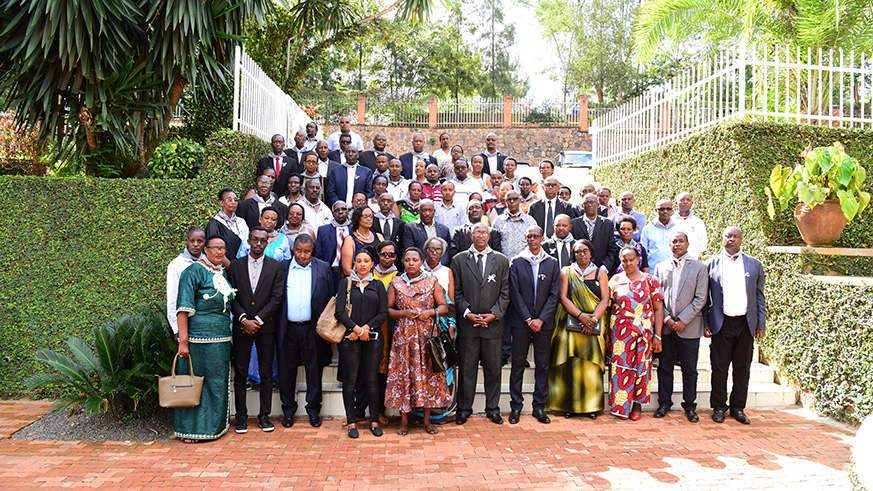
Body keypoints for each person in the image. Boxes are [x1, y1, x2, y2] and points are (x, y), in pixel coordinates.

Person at [174, 235, 235, 443]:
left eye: (222, 249)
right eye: (215, 248)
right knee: (195, 383)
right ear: (205, 250)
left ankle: (214, 428)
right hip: (198, 340)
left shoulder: (223, 273)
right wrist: (183, 342)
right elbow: (182, 309)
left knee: (216, 384)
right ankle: (191, 430)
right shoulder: (193, 272)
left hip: (221, 340)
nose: (219, 252)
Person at [385, 247, 452, 435]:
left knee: (428, 376)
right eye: (407, 260)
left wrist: (429, 312)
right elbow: (388, 311)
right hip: (403, 337)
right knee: (404, 375)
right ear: (403, 262)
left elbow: (444, 307)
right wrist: (403, 313)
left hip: (426, 337)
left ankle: (426, 420)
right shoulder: (396, 282)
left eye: (414, 260)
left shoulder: (432, 282)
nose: (411, 263)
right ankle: (404, 420)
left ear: (421, 262)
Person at [704, 226, 766, 425]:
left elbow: (759, 296)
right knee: (719, 368)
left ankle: (738, 408)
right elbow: (705, 299)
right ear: (722, 238)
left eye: (735, 236)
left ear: (741, 239)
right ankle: (719, 407)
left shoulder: (754, 264)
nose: (731, 239)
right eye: (727, 236)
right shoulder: (710, 264)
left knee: (742, 368)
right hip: (721, 323)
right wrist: (706, 323)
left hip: (746, 323)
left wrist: (761, 324)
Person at [452, 222, 510, 425]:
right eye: (477, 232)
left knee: (493, 369)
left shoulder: (501, 260)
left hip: (493, 325)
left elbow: (505, 293)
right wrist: (467, 313)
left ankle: (493, 408)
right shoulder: (459, 260)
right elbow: (456, 293)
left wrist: (493, 315)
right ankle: (464, 409)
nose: (480, 235)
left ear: (489, 236)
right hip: (468, 324)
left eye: (484, 232)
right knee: (467, 369)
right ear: (470, 235)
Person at [228, 227, 285, 433]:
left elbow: (277, 297)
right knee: (241, 372)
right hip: (242, 327)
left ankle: (264, 416)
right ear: (249, 241)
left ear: (267, 242)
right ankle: (241, 417)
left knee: (266, 372)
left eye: (262, 240)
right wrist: (244, 319)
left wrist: (258, 320)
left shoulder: (276, 267)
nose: (259, 243)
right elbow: (231, 296)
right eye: (255, 240)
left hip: (266, 327)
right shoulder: (234, 266)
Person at [547, 238, 610, 419]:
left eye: (584, 251)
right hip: (570, 325)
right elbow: (563, 297)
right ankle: (569, 406)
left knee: (591, 367)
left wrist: (593, 319)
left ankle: (592, 407)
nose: (581, 254)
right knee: (571, 366)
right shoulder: (567, 271)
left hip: (594, 327)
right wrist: (581, 316)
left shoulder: (601, 272)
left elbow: (605, 299)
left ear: (591, 252)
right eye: (577, 252)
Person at [277, 234, 334, 429]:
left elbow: (329, 298)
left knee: (314, 371)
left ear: (312, 250)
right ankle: (288, 411)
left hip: (312, 329)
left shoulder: (323, 267)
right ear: (294, 250)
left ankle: (313, 411)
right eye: (299, 251)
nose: (302, 255)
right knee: (286, 371)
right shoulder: (282, 268)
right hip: (287, 328)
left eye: (306, 252)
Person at [652, 231, 709, 423]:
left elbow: (701, 298)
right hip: (666, 327)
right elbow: (657, 296)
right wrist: (667, 318)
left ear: (687, 244)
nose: (677, 244)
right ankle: (664, 403)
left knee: (689, 370)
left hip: (689, 327)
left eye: (681, 241)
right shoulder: (660, 267)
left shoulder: (700, 268)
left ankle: (690, 406)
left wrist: (683, 320)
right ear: (669, 245)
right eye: (674, 242)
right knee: (665, 367)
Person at [507, 226, 560, 425]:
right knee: (518, 364)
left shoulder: (552, 263)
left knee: (542, 364)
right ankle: (516, 407)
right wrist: (529, 318)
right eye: (529, 236)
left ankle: (539, 407)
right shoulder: (517, 261)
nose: (532, 239)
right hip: (521, 322)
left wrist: (541, 319)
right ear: (525, 238)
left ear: (542, 238)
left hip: (544, 324)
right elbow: (515, 292)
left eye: (536, 236)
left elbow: (555, 294)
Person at [335, 248, 388, 438]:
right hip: (350, 339)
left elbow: (383, 313)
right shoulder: (345, 283)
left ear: (372, 264)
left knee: (372, 380)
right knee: (350, 381)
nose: (362, 264)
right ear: (354, 264)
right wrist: (357, 330)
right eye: (359, 261)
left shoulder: (379, 286)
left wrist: (366, 329)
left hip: (373, 340)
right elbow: (339, 312)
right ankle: (351, 422)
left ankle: (373, 420)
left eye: (366, 261)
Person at [608, 246, 664, 420]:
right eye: (624, 260)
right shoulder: (615, 280)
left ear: (638, 260)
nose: (628, 263)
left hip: (643, 333)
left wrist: (658, 335)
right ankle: (620, 407)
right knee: (620, 369)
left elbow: (658, 309)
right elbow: (607, 307)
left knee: (641, 368)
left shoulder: (649, 280)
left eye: (631, 259)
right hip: (620, 334)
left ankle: (637, 406)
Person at [370, 240, 400, 426]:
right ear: (378, 255)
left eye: (391, 254)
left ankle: (379, 410)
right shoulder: (368, 272)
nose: (387, 257)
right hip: (366, 325)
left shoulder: (400, 277)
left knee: (382, 369)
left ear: (396, 257)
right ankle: (360, 410)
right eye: (383, 254)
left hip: (389, 328)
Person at [166, 228, 205, 335]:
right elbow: (173, 298)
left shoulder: (209, 262)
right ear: (187, 241)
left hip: (206, 324)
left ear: (204, 242)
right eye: (192, 241)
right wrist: (176, 329)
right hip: (186, 323)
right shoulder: (176, 265)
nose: (196, 244)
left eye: (200, 241)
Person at [570, 193, 620, 274]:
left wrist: (605, 267)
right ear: (582, 205)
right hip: (579, 271)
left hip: (601, 270)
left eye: (592, 202)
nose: (590, 205)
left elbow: (612, 249)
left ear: (598, 205)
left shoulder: (607, 224)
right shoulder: (574, 224)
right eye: (587, 203)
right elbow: (571, 249)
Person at [492, 190, 538, 264]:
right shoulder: (498, 221)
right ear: (505, 202)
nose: (512, 201)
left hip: (525, 263)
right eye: (509, 199)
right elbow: (493, 244)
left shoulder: (530, 220)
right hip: (504, 264)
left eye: (515, 199)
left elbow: (535, 242)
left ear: (520, 200)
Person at [206, 188, 249, 267]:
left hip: (243, 265)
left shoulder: (241, 221)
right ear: (221, 203)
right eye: (229, 200)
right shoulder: (214, 223)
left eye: (235, 200)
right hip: (225, 267)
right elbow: (214, 249)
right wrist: (230, 268)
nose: (233, 203)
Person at [401, 200, 451, 266]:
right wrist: (427, 265)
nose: (427, 213)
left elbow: (447, 251)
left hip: (440, 268)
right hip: (420, 268)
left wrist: (439, 264)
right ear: (419, 211)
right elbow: (410, 250)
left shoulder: (444, 229)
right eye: (424, 210)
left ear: (434, 211)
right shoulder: (410, 228)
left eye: (430, 210)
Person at [641, 199, 684, 270]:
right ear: (655, 210)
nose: (665, 211)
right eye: (662, 209)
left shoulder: (679, 229)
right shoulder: (647, 229)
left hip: (675, 270)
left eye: (668, 209)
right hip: (654, 272)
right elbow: (643, 253)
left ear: (672, 211)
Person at [314, 201, 351, 281]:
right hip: (330, 274)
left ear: (348, 212)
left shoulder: (354, 230)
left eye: (343, 209)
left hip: (351, 275)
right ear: (333, 213)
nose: (340, 212)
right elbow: (318, 255)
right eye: (337, 210)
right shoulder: (323, 231)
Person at [341, 206, 383, 277]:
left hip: (379, 279)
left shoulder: (379, 236)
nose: (369, 219)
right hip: (358, 281)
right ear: (358, 218)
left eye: (371, 216)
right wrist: (365, 278)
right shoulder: (350, 239)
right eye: (365, 216)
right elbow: (346, 269)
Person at [672, 192, 708, 259]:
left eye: (688, 200)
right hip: (673, 263)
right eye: (682, 200)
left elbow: (703, 246)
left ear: (692, 203)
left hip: (692, 263)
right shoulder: (670, 222)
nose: (685, 202)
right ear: (676, 203)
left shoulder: (698, 222)